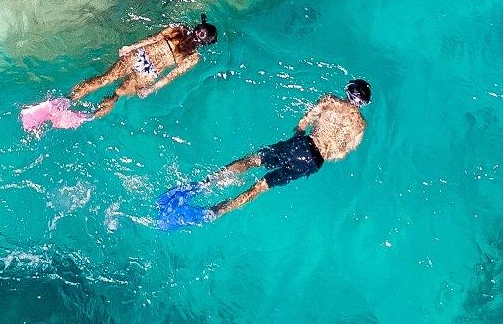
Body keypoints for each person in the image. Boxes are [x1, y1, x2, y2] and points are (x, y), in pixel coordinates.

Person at [160, 80, 371, 224]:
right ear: (363, 103)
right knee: (262, 186)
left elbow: (305, 120)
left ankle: (204, 185)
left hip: (304, 144)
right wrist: (322, 153)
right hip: (314, 163)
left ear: (348, 91)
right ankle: (216, 212)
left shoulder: (330, 101)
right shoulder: (360, 125)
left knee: (253, 161)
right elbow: (342, 153)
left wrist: (298, 135)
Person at [66, 18, 217, 120]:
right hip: (149, 73)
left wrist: (130, 47)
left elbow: (153, 39)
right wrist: (151, 89)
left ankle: (66, 100)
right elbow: (171, 76)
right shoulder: (193, 57)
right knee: (117, 93)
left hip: (140, 55)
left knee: (104, 79)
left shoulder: (179, 28)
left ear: (197, 27)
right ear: (205, 44)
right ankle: (89, 116)